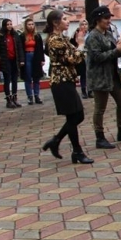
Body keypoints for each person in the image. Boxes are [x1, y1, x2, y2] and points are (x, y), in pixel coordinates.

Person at [42, 10, 94, 164]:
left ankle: (59, 142)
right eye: (64, 19)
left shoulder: (62, 38)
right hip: (60, 81)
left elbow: (73, 55)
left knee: (76, 116)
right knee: (75, 116)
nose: (68, 21)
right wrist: (81, 44)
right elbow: (73, 59)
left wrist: (77, 44)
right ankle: (75, 150)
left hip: (67, 80)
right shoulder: (54, 40)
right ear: (55, 23)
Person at [86, 6, 121, 149]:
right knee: (100, 108)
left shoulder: (108, 33)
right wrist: (117, 50)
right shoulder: (93, 37)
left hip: (113, 75)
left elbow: (114, 52)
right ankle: (100, 137)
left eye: (110, 18)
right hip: (100, 77)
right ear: (98, 20)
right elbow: (97, 57)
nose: (109, 20)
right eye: (106, 18)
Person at [0, 19, 23, 108]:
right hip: (5, 61)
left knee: (15, 79)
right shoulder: (0, 36)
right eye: (7, 24)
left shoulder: (15, 35)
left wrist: (21, 59)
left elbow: (19, 48)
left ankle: (14, 97)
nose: (9, 26)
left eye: (11, 24)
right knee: (7, 79)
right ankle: (8, 99)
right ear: (4, 26)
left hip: (14, 60)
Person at [20, 18, 45, 105]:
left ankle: (37, 95)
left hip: (36, 56)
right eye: (29, 24)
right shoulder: (22, 36)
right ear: (26, 26)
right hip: (27, 56)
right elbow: (20, 49)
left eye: (32, 24)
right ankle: (30, 97)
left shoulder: (37, 36)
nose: (31, 26)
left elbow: (41, 48)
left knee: (36, 77)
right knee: (28, 77)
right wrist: (21, 60)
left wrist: (42, 59)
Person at [70, 19, 91, 98]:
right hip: (80, 54)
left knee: (89, 73)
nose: (84, 26)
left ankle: (90, 90)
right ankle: (83, 90)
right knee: (83, 73)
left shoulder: (90, 34)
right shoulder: (76, 34)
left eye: (86, 24)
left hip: (89, 54)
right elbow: (72, 44)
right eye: (82, 24)